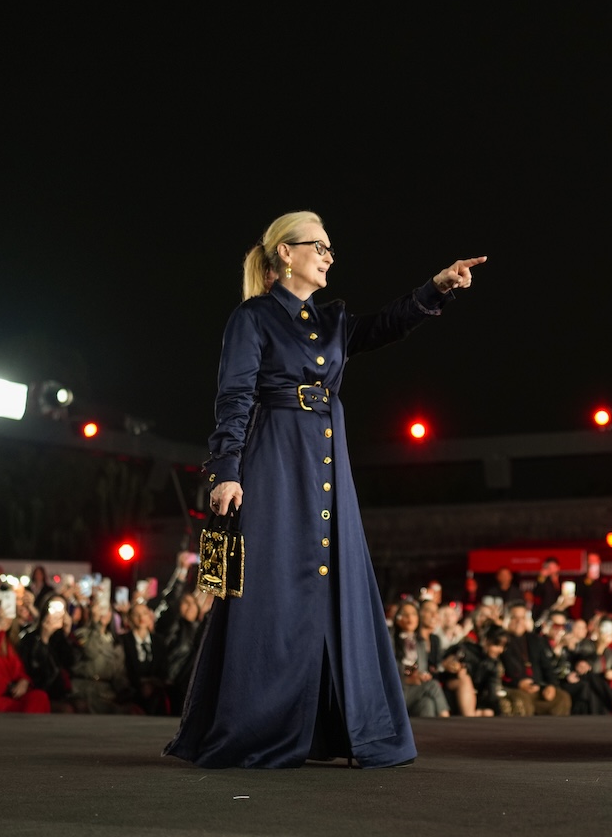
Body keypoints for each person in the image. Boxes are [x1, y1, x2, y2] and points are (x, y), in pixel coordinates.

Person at [165, 209, 486, 768]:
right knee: (274, 588)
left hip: (327, 462)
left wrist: (437, 287)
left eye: (331, 248)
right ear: (285, 253)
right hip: (275, 460)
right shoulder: (253, 317)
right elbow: (234, 396)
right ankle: (258, 726)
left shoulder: (333, 318)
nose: (329, 256)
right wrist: (226, 471)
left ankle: (334, 730)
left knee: (333, 583)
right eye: (319, 246)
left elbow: (385, 325)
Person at [0, 592, 51, 713]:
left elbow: (19, 671)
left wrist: (24, 681)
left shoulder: (9, 645)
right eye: (1, 613)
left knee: (39, 697)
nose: (5, 617)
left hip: (8, 696)